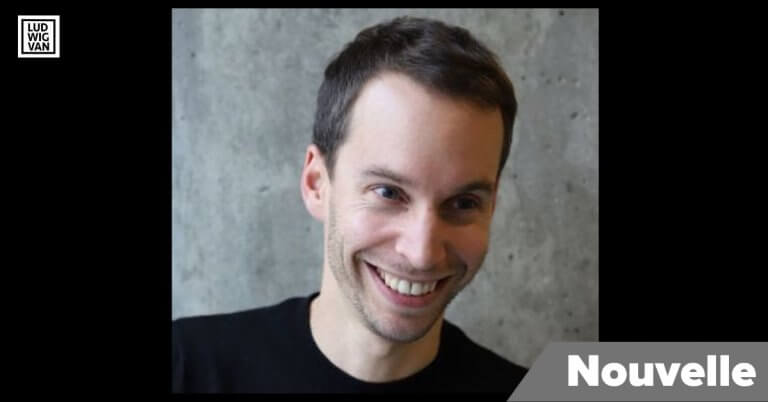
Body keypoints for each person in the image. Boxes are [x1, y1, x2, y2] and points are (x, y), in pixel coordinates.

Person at [172, 16, 527, 396]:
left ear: (491, 206)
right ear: (316, 184)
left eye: (464, 202)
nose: (422, 254)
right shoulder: (184, 363)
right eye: (388, 192)